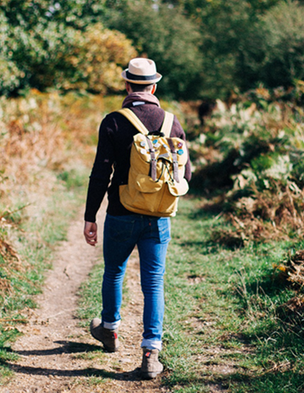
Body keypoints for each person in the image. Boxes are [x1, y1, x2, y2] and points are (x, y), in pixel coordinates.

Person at [83, 57, 192, 379]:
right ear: (154, 87)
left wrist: (90, 216)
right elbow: (185, 172)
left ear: (127, 85)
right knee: (153, 282)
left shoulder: (114, 121)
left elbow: (100, 172)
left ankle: (109, 331)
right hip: (158, 216)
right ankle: (150, 353)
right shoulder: (172, 122)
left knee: (114, 272)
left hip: (120, 212)